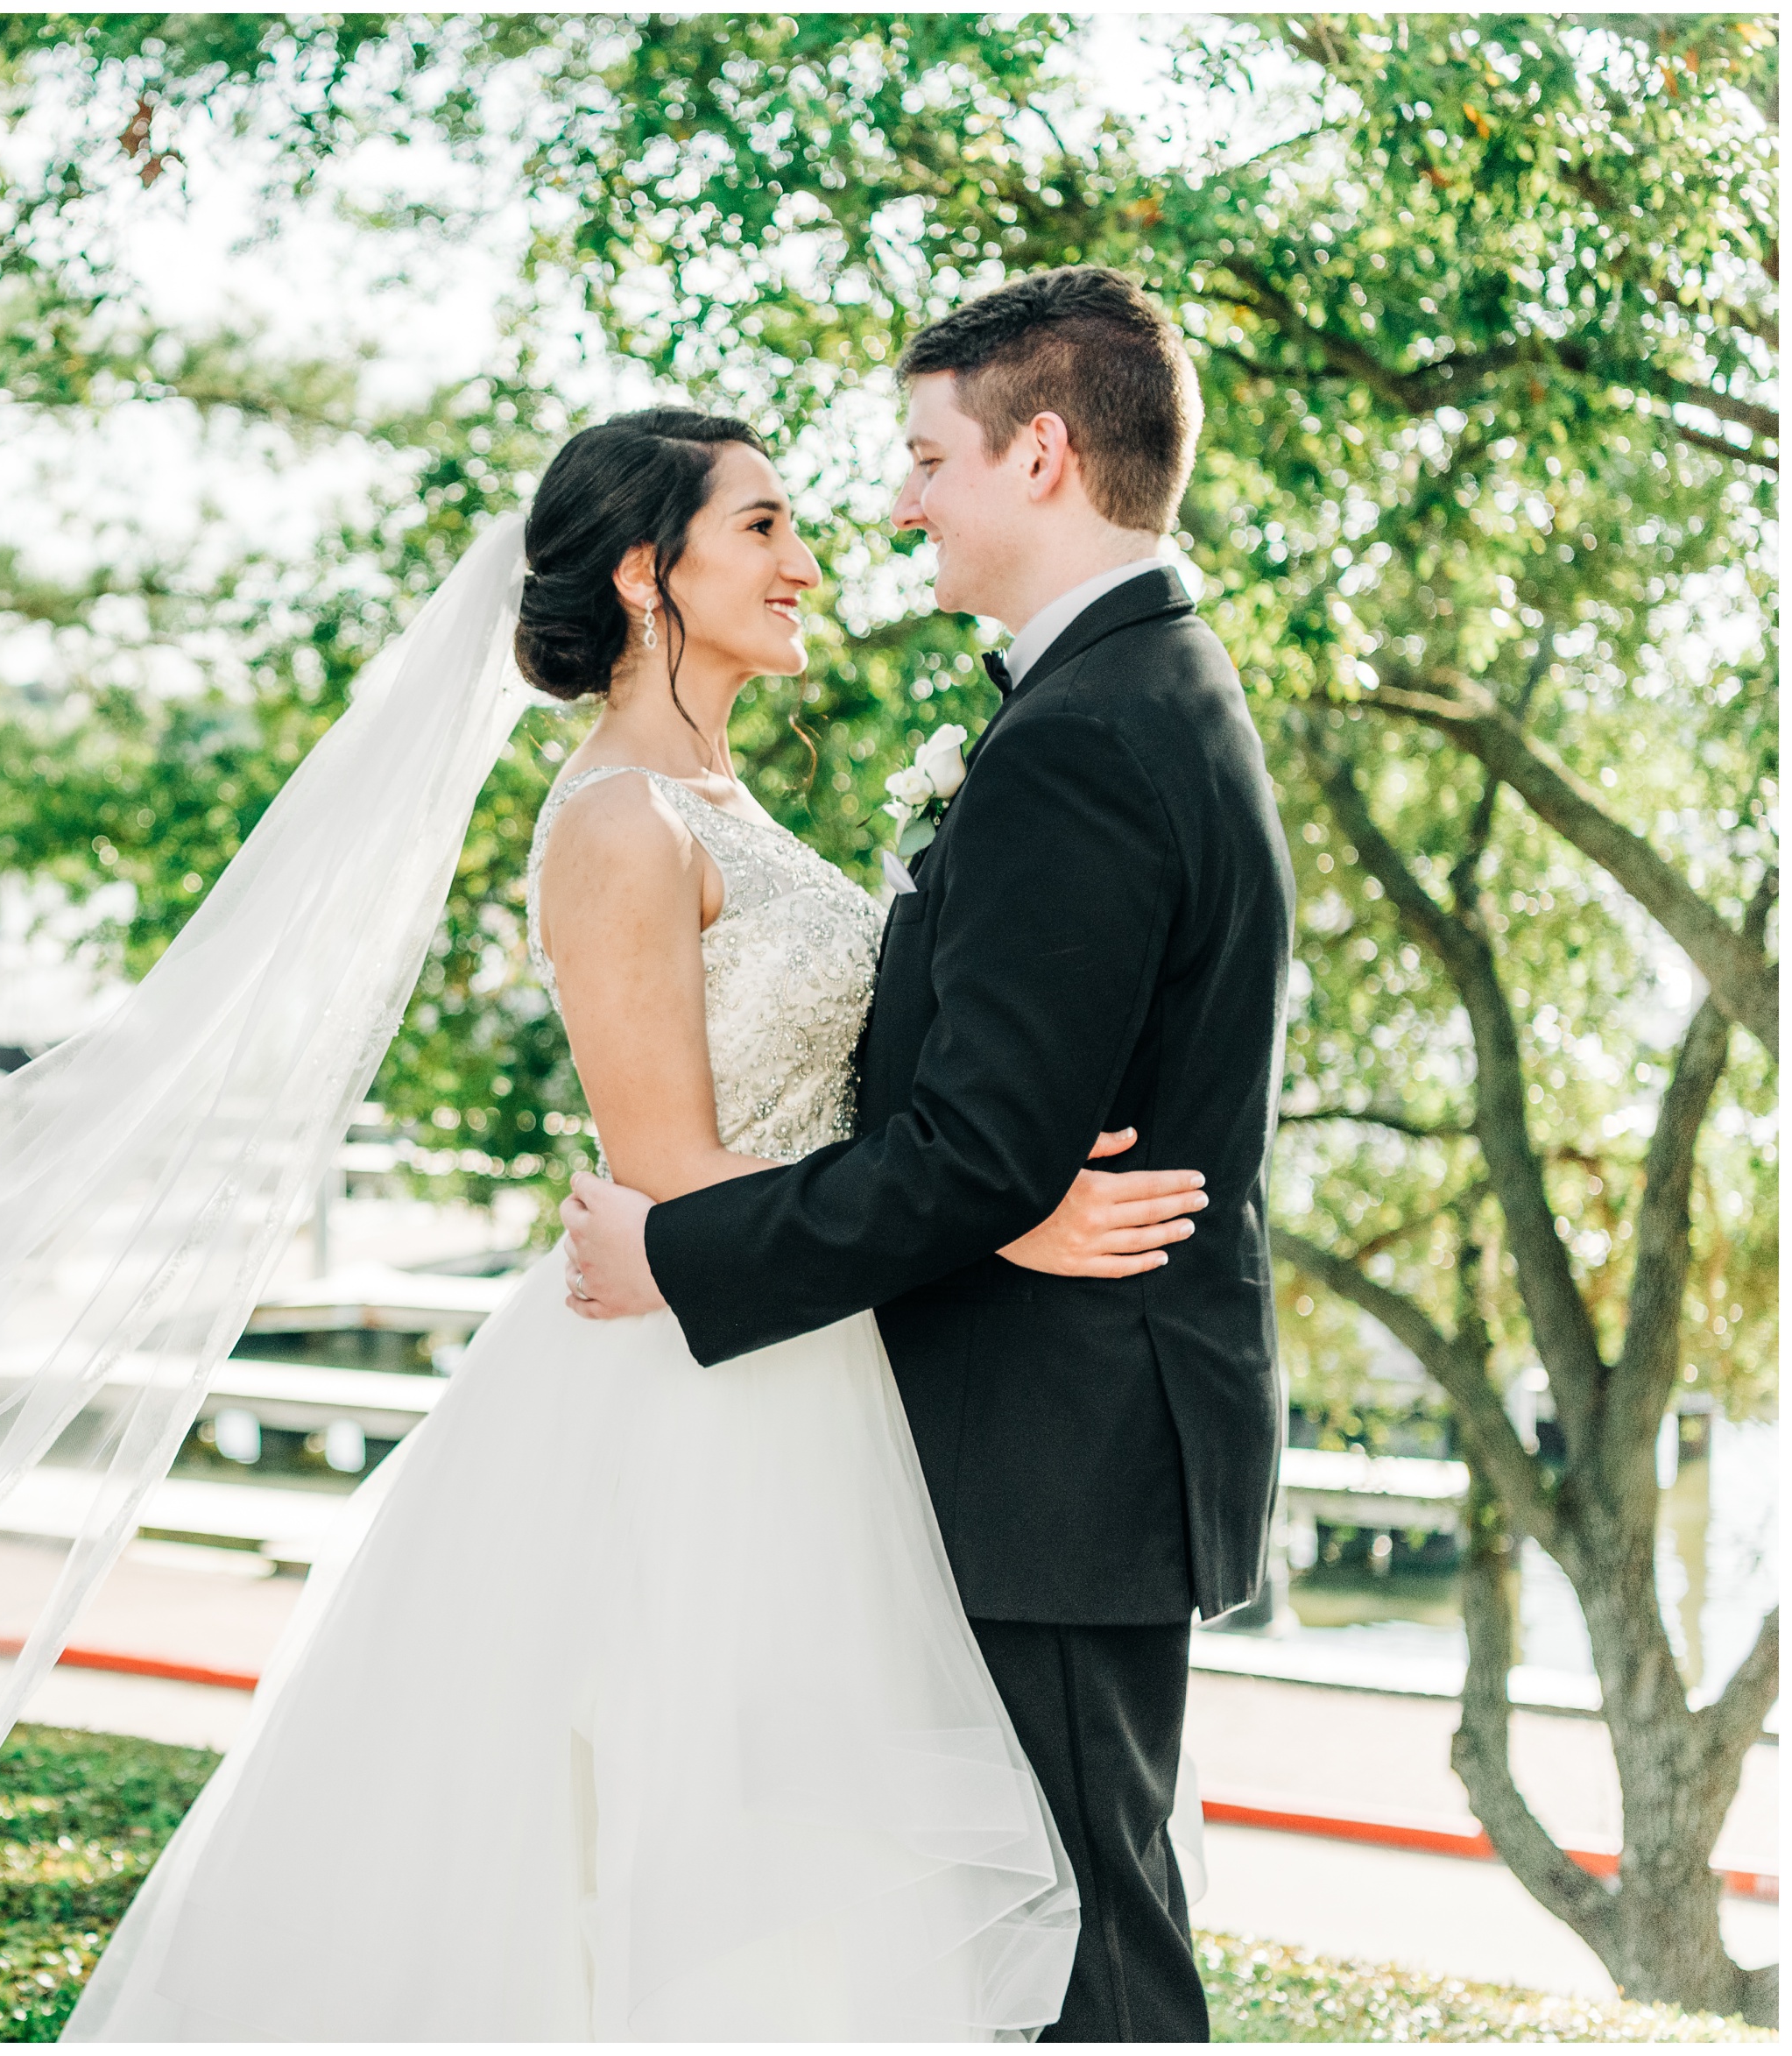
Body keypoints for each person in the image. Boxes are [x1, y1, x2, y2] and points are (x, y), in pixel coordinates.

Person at [65, 400, 1215, 2042]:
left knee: (799, 1881)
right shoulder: (613, 824)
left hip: (804, 1357)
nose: (810, 559)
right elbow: (674, 1176)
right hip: (694, 1394)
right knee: (688, 1871)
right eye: (761, 527)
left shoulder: (723, 805)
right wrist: (999, 1220)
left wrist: (977, 1179)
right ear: (641, 575)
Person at [561, 267, 1295, 2042]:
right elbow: (982, 1132)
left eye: (923, 460)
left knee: (1082, 1957)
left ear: (1038, 454)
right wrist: (994, 1209)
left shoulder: (1081, 739)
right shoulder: (1141, 692)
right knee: (1021, 1932)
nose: (893, 507)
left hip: (1044, 1449)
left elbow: (983, 1144)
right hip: (1035, 1427)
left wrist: (679, 1253)